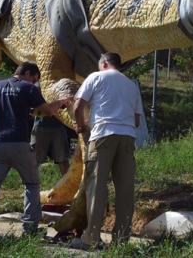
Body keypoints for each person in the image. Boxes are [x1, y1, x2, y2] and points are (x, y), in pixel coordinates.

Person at [0, 62, 69, 251]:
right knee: (31, 185)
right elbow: (48, 111)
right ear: (28, 73)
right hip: (20, 145)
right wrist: (61, 102)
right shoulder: (28, 88)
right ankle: (30, 228)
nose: (34, 82)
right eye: (34, 79)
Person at [69, 52, 144, 251]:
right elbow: (136, 121)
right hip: (127, 138)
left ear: (103, 64)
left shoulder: (95, 77)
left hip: (102, 135)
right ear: (118, 65)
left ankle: (91, 238)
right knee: (125, 190)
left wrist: (81, 125)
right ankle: (121, 240)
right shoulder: (130, 85)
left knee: (97, 187)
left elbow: (78, 105)